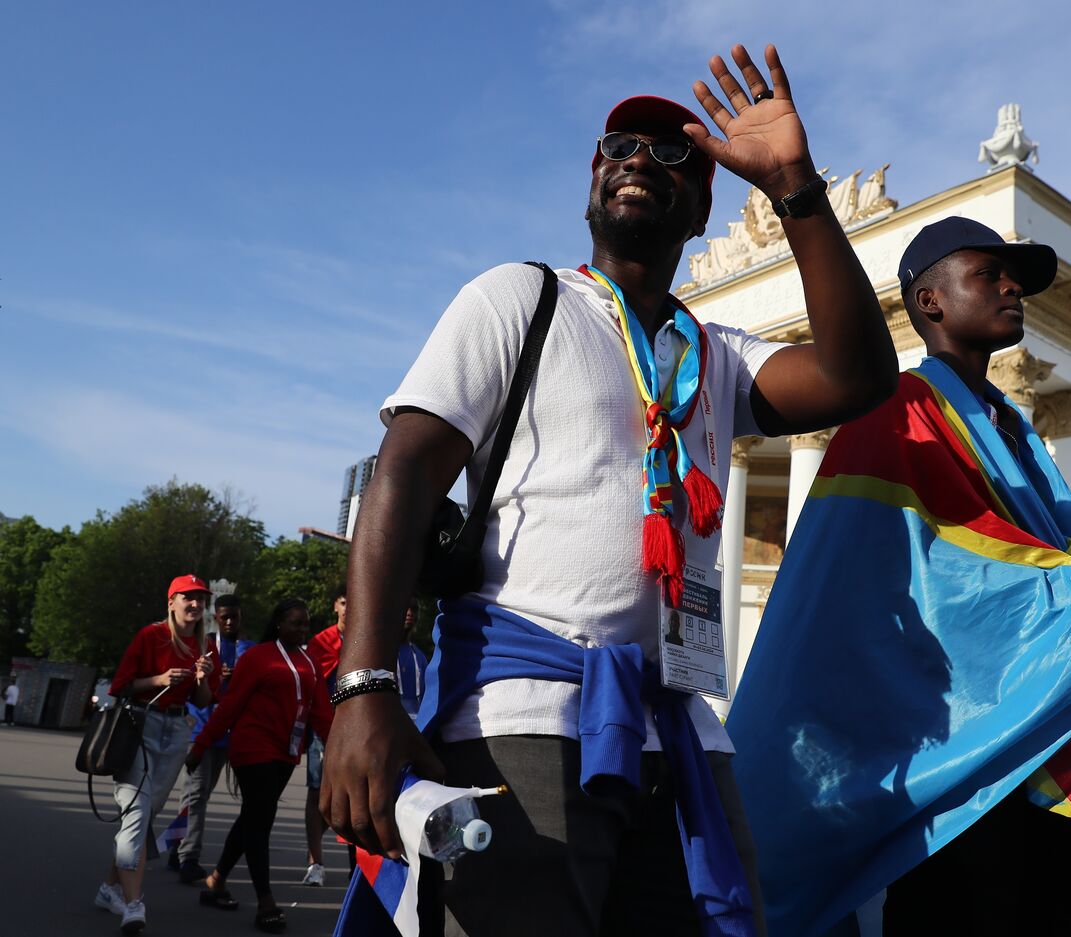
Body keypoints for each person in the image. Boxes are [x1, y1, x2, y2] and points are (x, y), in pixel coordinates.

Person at [323, 43, 898, 937]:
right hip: (523, 717)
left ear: (706, 204)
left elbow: (856, 376)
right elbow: (402, 468)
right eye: (618, 145)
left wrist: (795, 188)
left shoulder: (721, 356)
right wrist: (363, 687)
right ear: (593, 176)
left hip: (681, 741)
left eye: (673, 155)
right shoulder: (521, 298)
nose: (638, 159)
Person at [720, 216, 1071, 936]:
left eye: (1018, 277)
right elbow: (955, 582)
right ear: (930, 302)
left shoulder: (1010, 423)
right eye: (990, 273)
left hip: (1035, 749)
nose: (1013, 287)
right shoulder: (896, 410)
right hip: (957, 766)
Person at [187, 597, 333, 934]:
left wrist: (337, 750)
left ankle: (216, 881)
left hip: (285, 752)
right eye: (296, 622)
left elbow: (321, 714)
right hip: (252, 749)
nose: (303, 629)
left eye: (306, 623)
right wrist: (201, 745)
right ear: (279, 624)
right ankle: (265, 901)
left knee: (253, 816)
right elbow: (229, 706)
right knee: (261, 820)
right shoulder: (257, 657)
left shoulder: (310, 662)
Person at [94, 574, 220, 936]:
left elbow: (203, 702)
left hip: (177, 732)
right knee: (135, 814)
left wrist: (201, 679)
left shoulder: (201, 645)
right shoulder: (151, 635)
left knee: (144, 815)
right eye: (188, 598)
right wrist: (159, 679)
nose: (196, 604)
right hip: (141, 728)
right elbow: (121, 686)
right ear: (171, 602)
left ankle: (108, 889)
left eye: (200, 599)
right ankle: (133, 905)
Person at [171, 593, 253, 883]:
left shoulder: (250, 649)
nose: (230, 621)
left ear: (241, 617)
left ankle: (174, 843)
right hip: (200, 729)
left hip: (227, 734)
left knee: (199, 794)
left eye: (235, 616)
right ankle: (188, 857)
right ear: (216, 618)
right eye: (224, 616)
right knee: (196, 794)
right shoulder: (204, 645)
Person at [301, 583, 347, 887]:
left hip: (356, 729)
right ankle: (315, 862)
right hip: (324, 728)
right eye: (344, 602)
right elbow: (314, 683)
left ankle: (358, 865)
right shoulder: (322, 641)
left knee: (348, 795)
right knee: (317, 794)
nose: (349, 608)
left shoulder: (366, 638)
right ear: (335, 606)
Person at [396, 602, 428, 718]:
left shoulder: (420, 657)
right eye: (405, 608)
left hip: (417, 726)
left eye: (413, 609)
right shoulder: (381, 654)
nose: (409, 613)